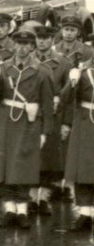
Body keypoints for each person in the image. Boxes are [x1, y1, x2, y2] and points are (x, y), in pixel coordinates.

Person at [0, 29, 56, 229]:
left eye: (26, 44)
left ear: (32, 46)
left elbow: (48, 105)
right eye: (19, 43)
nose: (22, 48)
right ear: (13, 45)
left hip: (28, 123)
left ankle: (23, 211)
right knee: (5, 166)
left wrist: (45, 132)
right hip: (6, 121)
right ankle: (9, 210)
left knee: (23, 166)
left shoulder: (42, 71)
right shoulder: (4, 68)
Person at [33, 25, 70, 211]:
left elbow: (69, 96)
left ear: (52, 40)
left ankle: (44, 199)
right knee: (31, 157)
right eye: (39, 38)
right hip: (31, 116)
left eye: (46, 38)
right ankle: (32, 199)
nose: (42, 41)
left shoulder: (63, 63)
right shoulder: (28, 59)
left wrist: (66, 123)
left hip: (54, 117)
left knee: (49, 160)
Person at [62, 56, 94, 231]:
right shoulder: (83, 74)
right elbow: (66, 98)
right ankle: (85, 214)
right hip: (85, 126)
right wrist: (72, 81)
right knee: (84, 170)